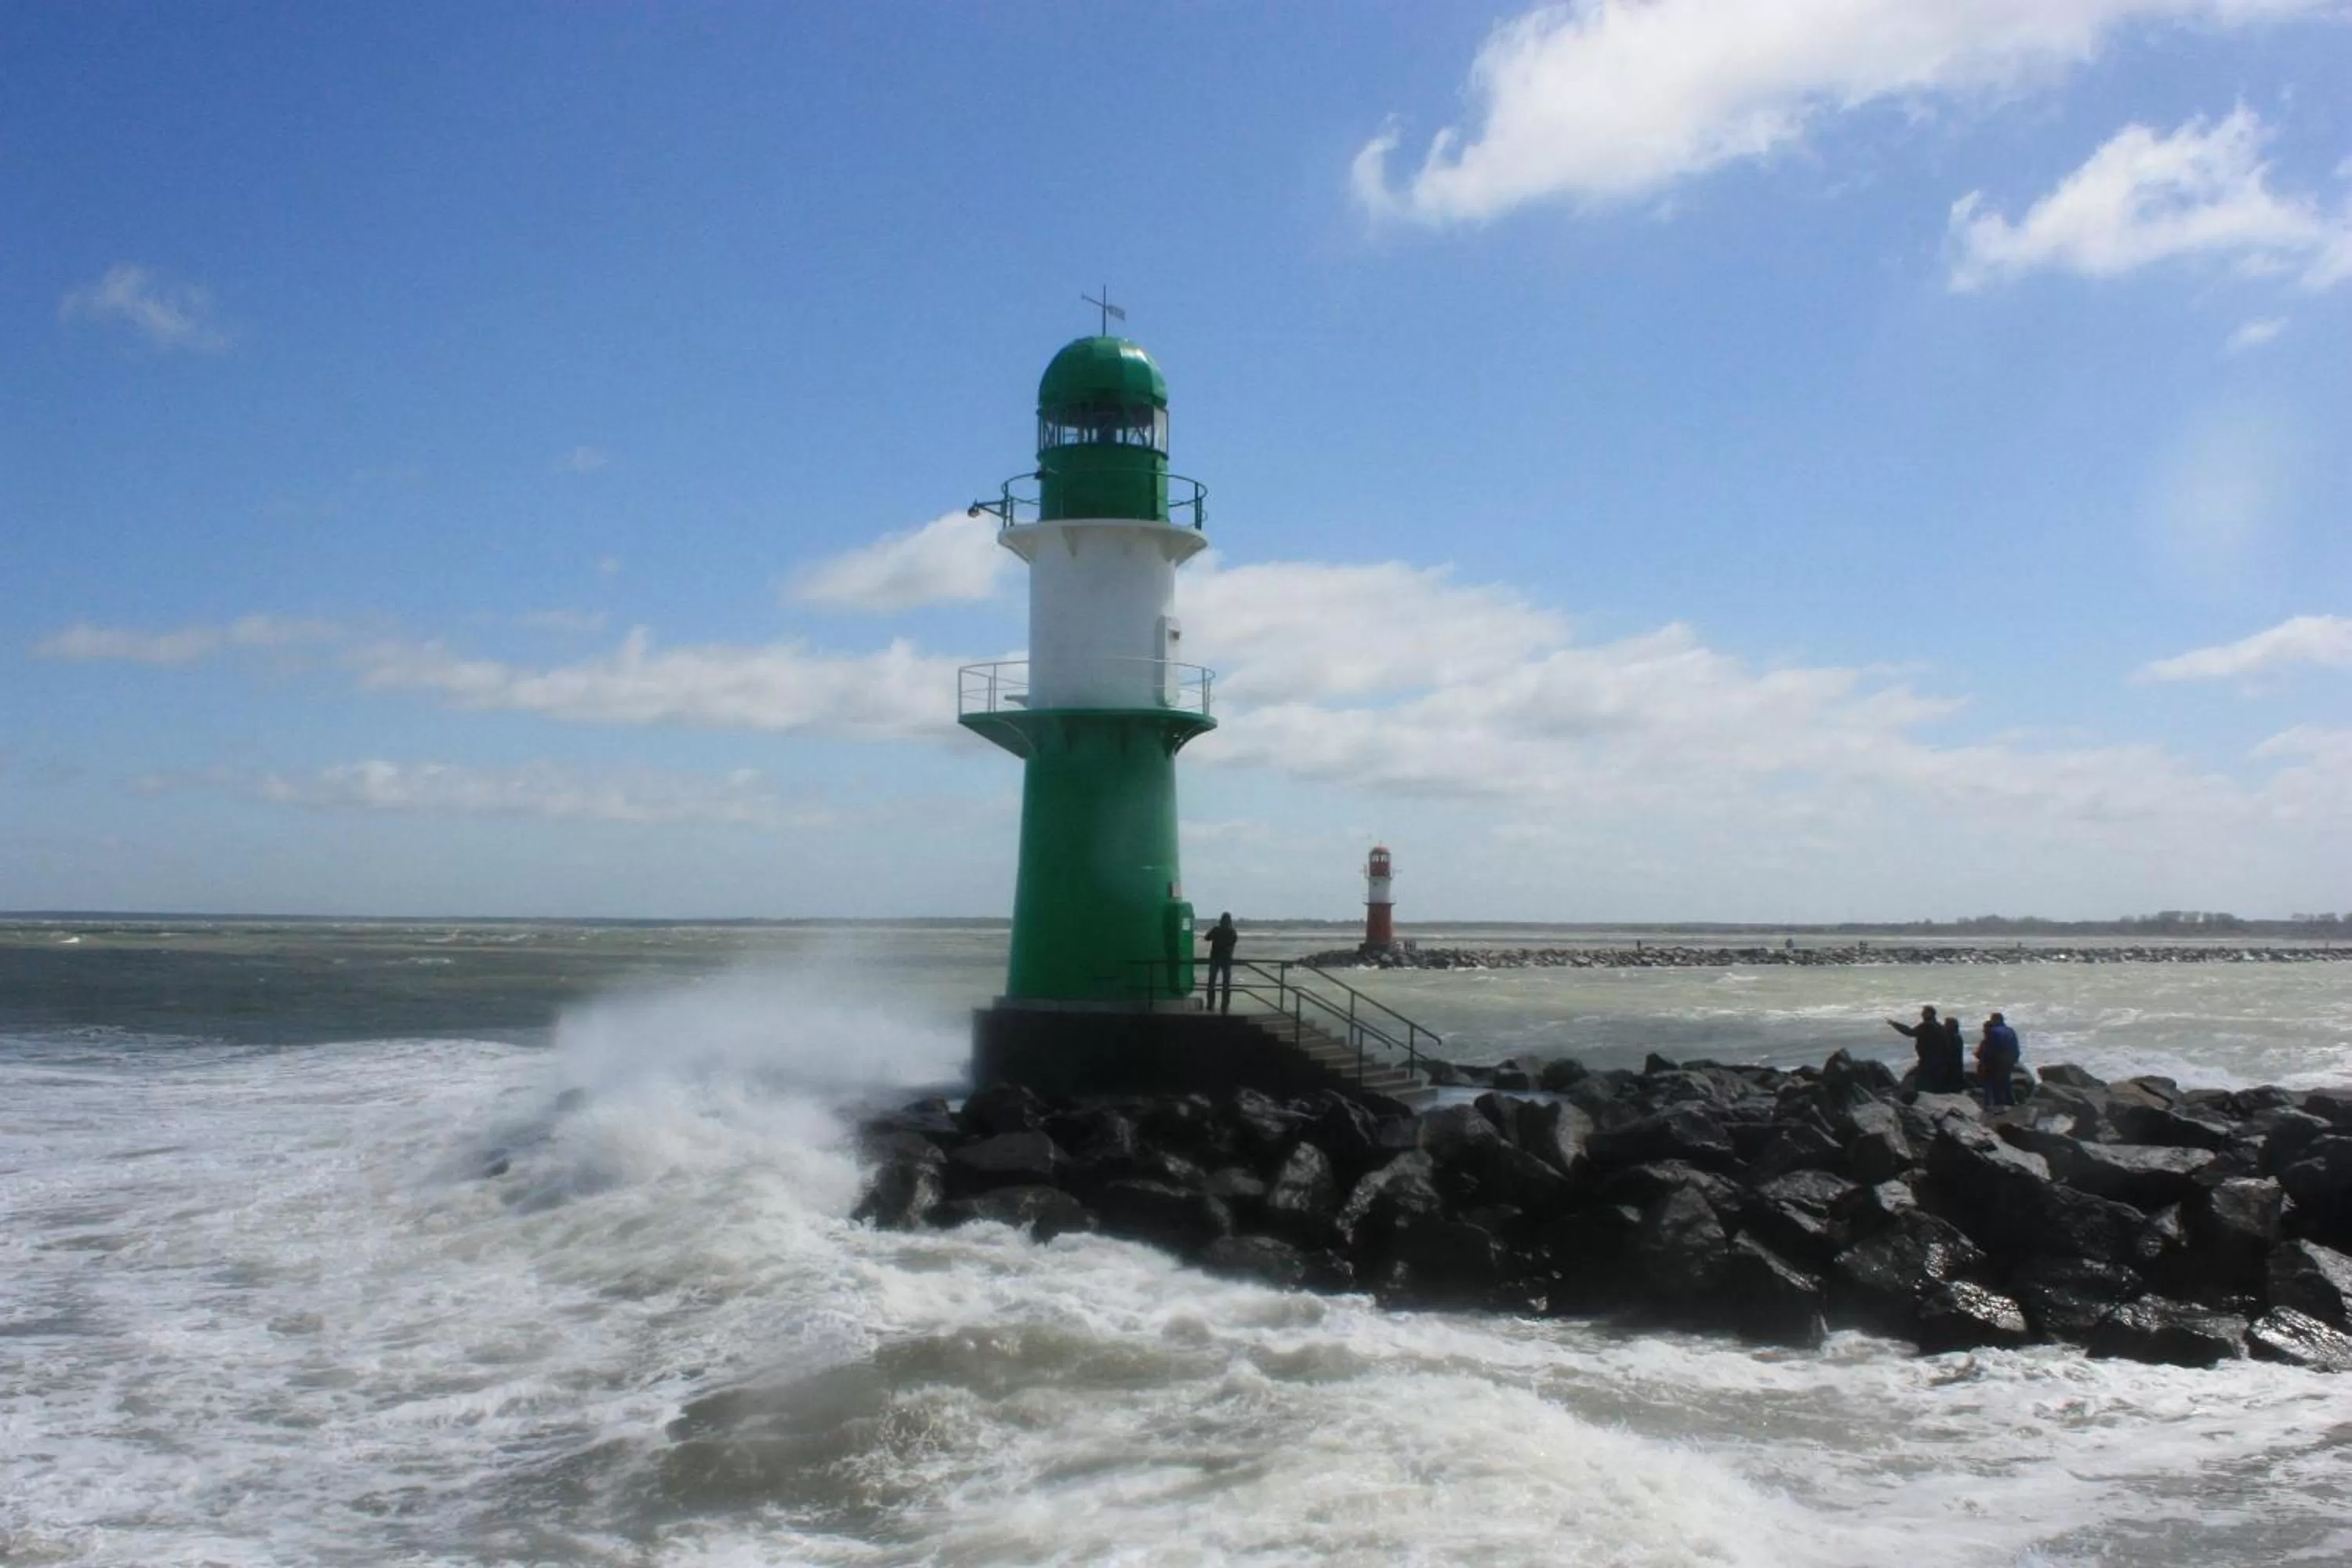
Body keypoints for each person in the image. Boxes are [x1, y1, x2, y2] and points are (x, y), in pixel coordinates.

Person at [1887, 1005, 1962, 1093]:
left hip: (1928, 1061)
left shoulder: (1926, 1026)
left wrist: (1894, 1024)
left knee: (1922, 1087)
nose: (1922, 1014)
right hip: (1939, 1062)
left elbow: (1910, 1032)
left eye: (1924, 1012)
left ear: (1930, 1014)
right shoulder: (1939, 1027)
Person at [1977, 1011, 2022, 1108]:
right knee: (2006, 1081)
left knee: (1995, 1084)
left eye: (1992, 1019)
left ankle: (1997, 1105)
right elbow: (2016, 1047)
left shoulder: (1994, 1032)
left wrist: (1985, 1064)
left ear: (1995, 1020)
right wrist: (2015, 1059)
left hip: (1998, 1061)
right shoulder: (2010, 1030)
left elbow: (1990, 1049)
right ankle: (2011, 1102)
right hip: (2010, 1060)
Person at [1204, 912, 1238, 1014]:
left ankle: (1210, 1004)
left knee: (1211, 982)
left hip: (1215, 958)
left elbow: (1207, 938)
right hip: (1227, 960)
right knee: (1226, 984)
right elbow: (1233, 941)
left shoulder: (1216, 930)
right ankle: (1225, 1005)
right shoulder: (1232, 932)